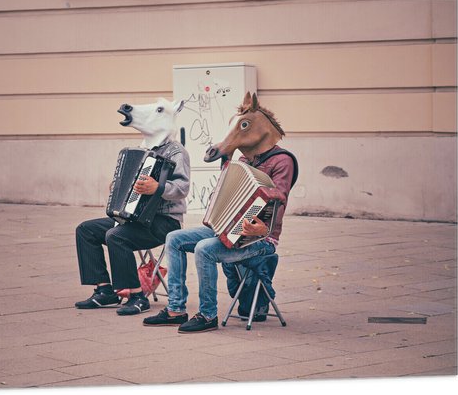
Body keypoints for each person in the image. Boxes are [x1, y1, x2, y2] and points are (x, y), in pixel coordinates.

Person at [143, 92, 296, 332]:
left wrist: (261, 227)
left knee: (205, 250)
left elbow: (279, 198)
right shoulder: (244, 161)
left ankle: (207, 315)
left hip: (262, 239)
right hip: (227, 231)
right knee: (174, 239)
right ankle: (176, 308)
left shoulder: (282, 161)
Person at [75, 137, 190, 316]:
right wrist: (118, 187)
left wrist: (158, 188)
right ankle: (104, 290)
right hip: (136, 218)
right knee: (86, 230)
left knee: (116, 235)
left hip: (165, 221)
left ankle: (138, 297)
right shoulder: (143, 148)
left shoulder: (176, 151)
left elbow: (182, 188)